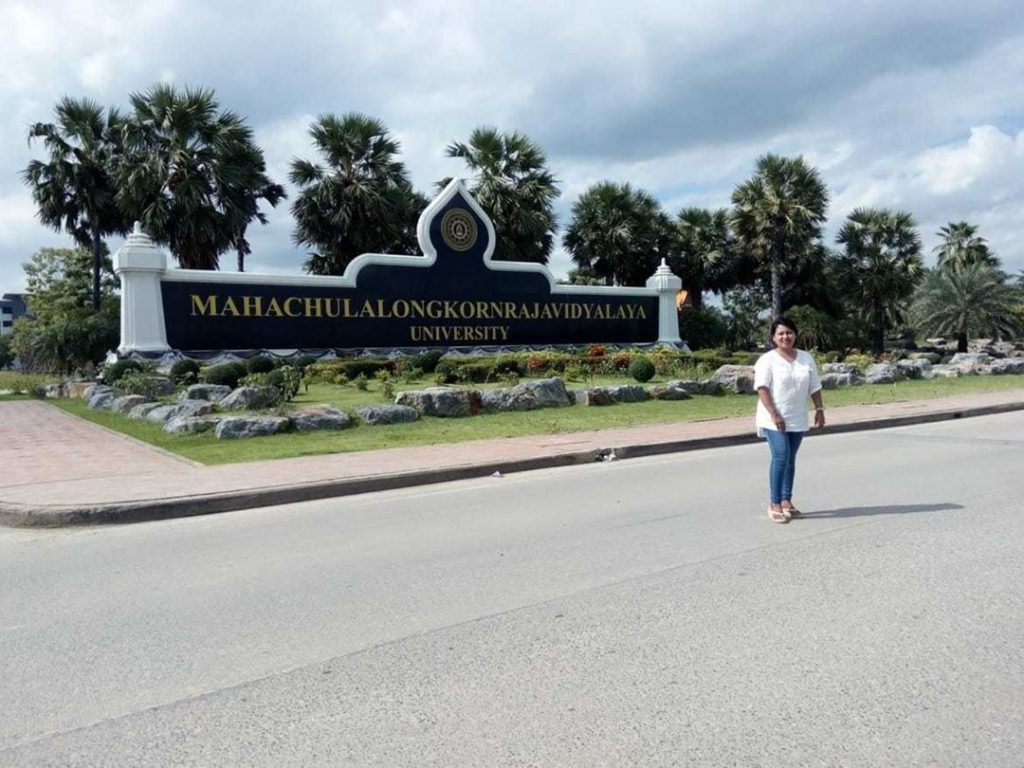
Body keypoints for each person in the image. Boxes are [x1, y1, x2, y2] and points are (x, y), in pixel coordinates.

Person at [754, 316, 825, 524]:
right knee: (781, 456)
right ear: (773, 337)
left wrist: (819, 409)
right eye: (781, 334)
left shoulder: (805, 358)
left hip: (797, 417)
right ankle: (774, 503)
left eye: (789, 333)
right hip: (772, 418)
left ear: (795, 335)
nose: (786, 337)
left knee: (790, 459)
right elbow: (762, 388)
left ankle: (787, 501)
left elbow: (815, 386)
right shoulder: (767, 359)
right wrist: (774, 414)